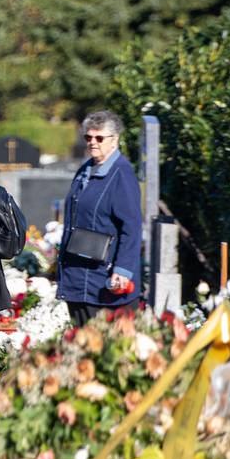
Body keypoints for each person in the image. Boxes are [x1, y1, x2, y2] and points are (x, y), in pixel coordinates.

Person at [55, 111, 144, 325]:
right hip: (78, 276)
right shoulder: (86, 169)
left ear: (115, 140)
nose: (92, 143)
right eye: (88, 137)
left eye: (99, 138)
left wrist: (123, 270)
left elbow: (131, 227)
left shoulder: (121, 174)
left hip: (104, 280)